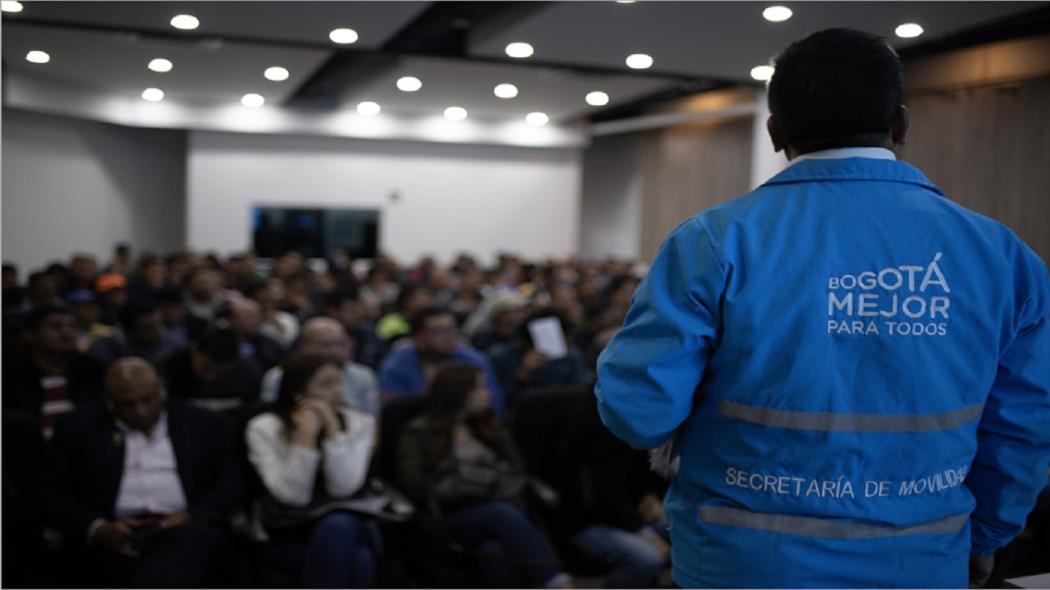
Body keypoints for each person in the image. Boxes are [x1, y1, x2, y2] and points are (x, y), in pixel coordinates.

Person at [594, 28, 1050, 589]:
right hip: (922, 560)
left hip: (743, 564)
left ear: (775, 132)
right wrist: (984, 537)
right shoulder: (1003, 257)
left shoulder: (713, 243)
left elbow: (638, 412)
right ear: (901, 125)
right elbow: (1022, 426)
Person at [42, 358, 240, 587]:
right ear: (108, 399)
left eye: (148, 400)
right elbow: (51, 492)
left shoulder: (203, 424)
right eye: (127, 404)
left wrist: (194, 515)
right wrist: (97, 527)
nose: (141, 412)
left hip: (184, 527)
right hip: (111, 534)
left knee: (195, 543)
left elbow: (231, 484)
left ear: (161, 387)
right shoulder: (77, 428)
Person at [395, 364, 571, 588]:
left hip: (496, 508)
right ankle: (560, 583)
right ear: (459, 394)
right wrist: (481, 477)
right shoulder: (419, 431)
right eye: (479, 388)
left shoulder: (487, 428)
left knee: (494, 551)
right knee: (500, 514)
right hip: (447, 515)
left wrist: (475, 476)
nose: (487, 393)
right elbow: (414, 484)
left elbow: (517, 470)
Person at [246, 354, 378, 588]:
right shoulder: (264, 427)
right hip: (288, 521)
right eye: (326, 384)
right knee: (361, 561)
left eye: (339, 382)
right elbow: (293, 496)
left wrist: (333, 431)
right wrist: (304, 437)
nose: (338, 391)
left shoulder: (361, 423)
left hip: (348, 516)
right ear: (298, 393)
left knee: (337, 526)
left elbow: (344, 487)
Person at [379, 307, 506, 415]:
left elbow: (495, 405)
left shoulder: (474, 360)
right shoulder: (396, 368)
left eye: (453, 329)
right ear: (420, 337)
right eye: (442, 331)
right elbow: (393, 412)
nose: (451, 336)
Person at [2, 306, 104, 438]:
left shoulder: (93, 371)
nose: (66, 332)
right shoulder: (9, 374)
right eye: (55, 327)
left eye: (72, 326)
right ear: (30, 335)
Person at [260, 318, 380, 418]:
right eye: (325, 345)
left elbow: (371, 418)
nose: (334, 351)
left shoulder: (363, 375)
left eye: (340, 344)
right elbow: (273, 416)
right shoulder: (278, 377)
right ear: (304, 346)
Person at [162, 325, 262, 413]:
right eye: (205, 368)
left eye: (220, 372)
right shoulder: (171, 369)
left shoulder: (247, 374)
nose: (210, 377)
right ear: (194, 349)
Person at [87, 301, 181, 369]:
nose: (158, 331)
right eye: (149, 328)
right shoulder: (102, 351)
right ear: (128, 331)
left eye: (159, 324)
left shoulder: (171, 348)